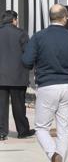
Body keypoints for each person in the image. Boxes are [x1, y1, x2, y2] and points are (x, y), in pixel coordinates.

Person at [22, 4, 68, 162]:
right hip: (67, 87)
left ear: (50, 17)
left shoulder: (38, 37)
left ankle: (52, 154)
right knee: (64, 129)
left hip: (47, 86)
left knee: (41, 128)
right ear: (65, 18)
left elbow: (26, 61)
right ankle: (60, 159)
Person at [0, 10, 35, 141]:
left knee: (1, 106)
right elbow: (28, 55)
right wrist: (28, 68)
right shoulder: (21, 34)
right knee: (19, 105)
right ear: (14, 20)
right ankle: (22, 130)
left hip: (1, 77)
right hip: (18, 76)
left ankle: (2, 132)